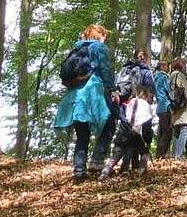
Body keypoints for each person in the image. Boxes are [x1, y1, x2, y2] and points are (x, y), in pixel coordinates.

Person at [54, 24, 119, 183]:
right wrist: (112, 89)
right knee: (109, 123)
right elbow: (105, 69)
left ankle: (79, 171)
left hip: (75, 96)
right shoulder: (99, 47)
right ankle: (97, 161)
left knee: (82, 134)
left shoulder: (76, 49)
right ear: (101, 35)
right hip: (93, 93)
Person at [102, 83, 154, 180]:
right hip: (135, 133)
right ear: (145, 94)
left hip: (123, 131)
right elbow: (147, 125)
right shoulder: (146, 106)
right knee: (144, 153)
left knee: (117, 154)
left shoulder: (128, 103)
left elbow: (121, 115)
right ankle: (141, 171)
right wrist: (148, 138)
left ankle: (105, 171)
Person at [168, 58, 187, 158]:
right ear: (181, 65)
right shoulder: (180, 75)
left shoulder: (171, 75)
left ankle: (175, 155)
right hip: (182, 106)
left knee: (177, 130)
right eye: (184, 65)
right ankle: (178, 155)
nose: (186, 67)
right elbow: (185, 90)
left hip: (174, 105)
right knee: (185, 129)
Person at [152, 60, 173, 158]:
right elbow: (168, 90)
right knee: (167, 132)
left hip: (159, 107)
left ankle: (159, 154)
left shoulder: (155, 77)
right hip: (165, 106)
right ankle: (162, 154)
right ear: (162, 67)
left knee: (161, 131)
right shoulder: (164, 77)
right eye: (167, 66)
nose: (168, 68)